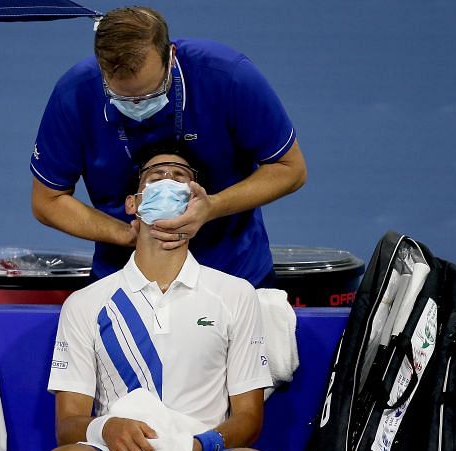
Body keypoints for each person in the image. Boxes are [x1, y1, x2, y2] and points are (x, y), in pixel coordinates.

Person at [37, 147, 282, 451]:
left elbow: (249, 417)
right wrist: (108, 428)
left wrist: (199, 447)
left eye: (181, 176)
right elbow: (68, 425)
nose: (169, 181)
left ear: (196, 199)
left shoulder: (235, 295)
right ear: (133, 204)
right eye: (156, 176)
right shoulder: (86, 304)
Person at [30, 6, 307, 289]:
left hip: (234, 275)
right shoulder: (74, 95)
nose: (138, 106)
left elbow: (290, 169)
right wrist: (126, 234)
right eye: (122, 98)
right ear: (102, 71)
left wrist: (212, 207)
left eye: (151, 93)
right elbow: (47, 201)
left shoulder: (228, 76)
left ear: (171, 57)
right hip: (122, 279)